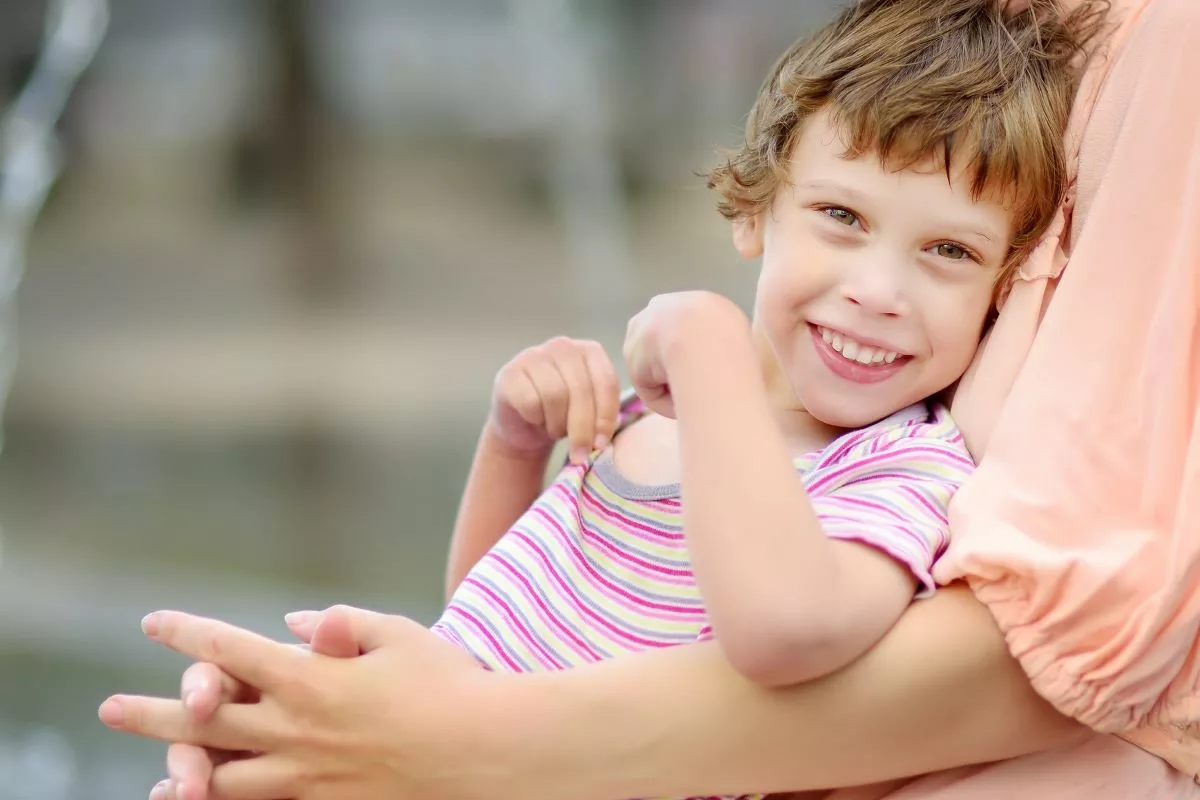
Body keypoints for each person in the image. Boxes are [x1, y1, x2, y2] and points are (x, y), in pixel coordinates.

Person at [98, 0, 1200, 797]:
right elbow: (496, 610)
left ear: (1003, 295)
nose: (878, 290)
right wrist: (511, 446)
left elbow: (787, 630)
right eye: (843, 219)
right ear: (755, 210)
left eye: (948, 252)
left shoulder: (904, 472)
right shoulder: (657, 417)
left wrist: (712, 341)